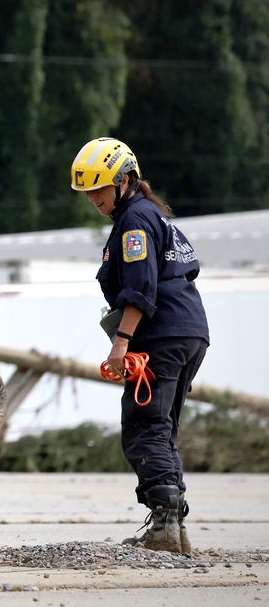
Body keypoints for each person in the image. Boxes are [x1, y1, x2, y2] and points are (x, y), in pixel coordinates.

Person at [70, 137, 209, 555]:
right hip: (189, 331)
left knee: (144, 427)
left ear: (125, 180)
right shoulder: (154, 216)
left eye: (99, 188)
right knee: (162, 428)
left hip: (162, 335)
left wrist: (121, 342)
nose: (93, 198)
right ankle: (174, 531)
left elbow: (140, 287)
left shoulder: (135, 223)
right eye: (88, 190)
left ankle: (165, 528)